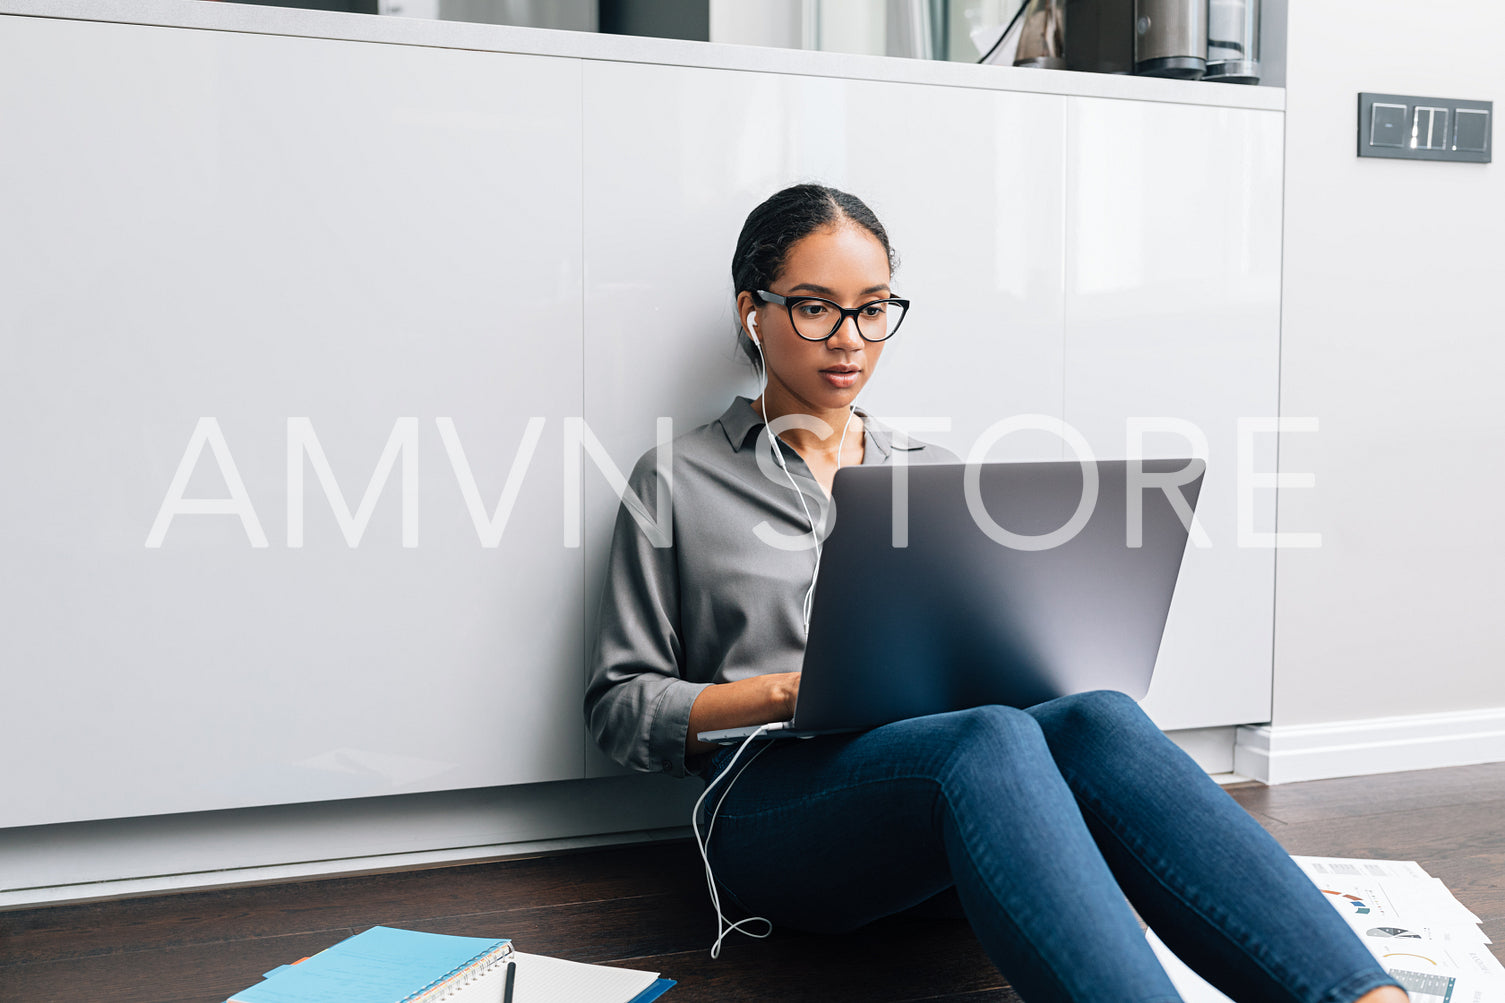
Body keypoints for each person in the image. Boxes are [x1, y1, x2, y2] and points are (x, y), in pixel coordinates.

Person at [583, 183, 1407, 1003]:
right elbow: (619, 706)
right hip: (774, 813)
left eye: (873, 310)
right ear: (751, 311)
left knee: (1097, 715)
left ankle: (1363, 997)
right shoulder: (679, 477)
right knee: (983, 738)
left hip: (954, 795)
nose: (850, 341)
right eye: (814, 308)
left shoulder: (934, 474)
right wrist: (779, 693)